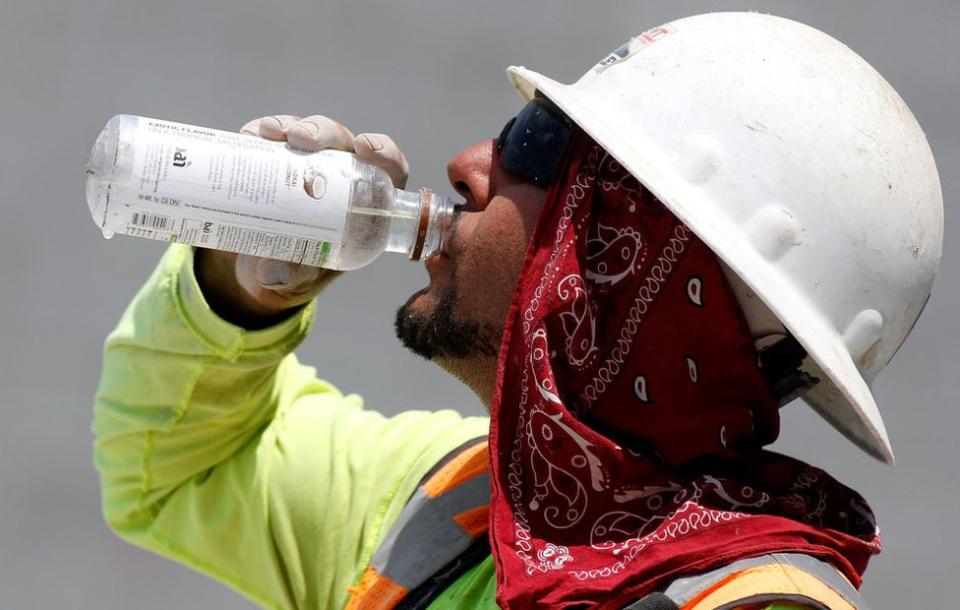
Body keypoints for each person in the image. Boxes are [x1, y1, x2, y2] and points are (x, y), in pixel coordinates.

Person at [93, 12, 942, 610]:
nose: (466, 165)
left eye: (534, 145)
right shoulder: (456, 505)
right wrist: (236, 291)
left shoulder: (751, 603)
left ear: (635, 270)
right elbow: (181, 474)